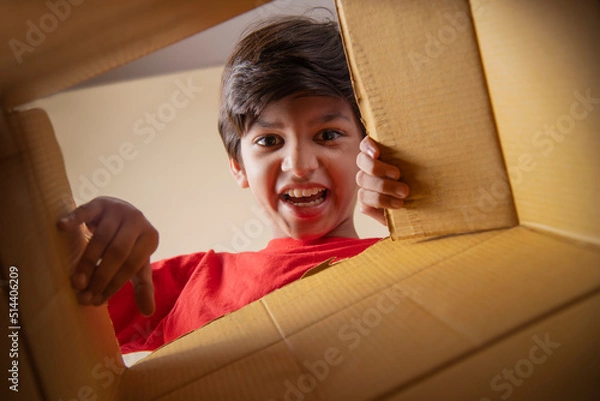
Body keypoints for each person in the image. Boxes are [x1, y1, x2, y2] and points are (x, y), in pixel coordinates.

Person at [57, 16, 409, 354]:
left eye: (328, 135)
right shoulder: (191, 283)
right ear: (238, 166)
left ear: (366, 148)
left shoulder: (405, 260)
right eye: (270, 141)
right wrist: (92, 243)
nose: (300, 166)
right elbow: (42, 316)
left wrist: (416, 224)